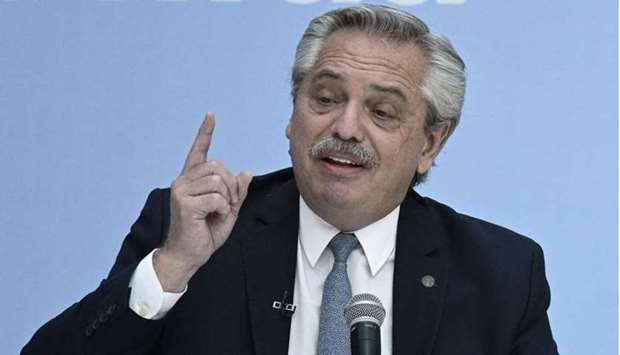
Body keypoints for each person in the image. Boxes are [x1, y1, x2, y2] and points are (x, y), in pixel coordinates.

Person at [22, 4, 558, 355]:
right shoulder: (193, 231)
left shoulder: (502, 273)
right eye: (324, 99)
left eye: (382, 112)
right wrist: (170, 269)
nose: (345, 128)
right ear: (292, 112)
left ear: (430, 143)